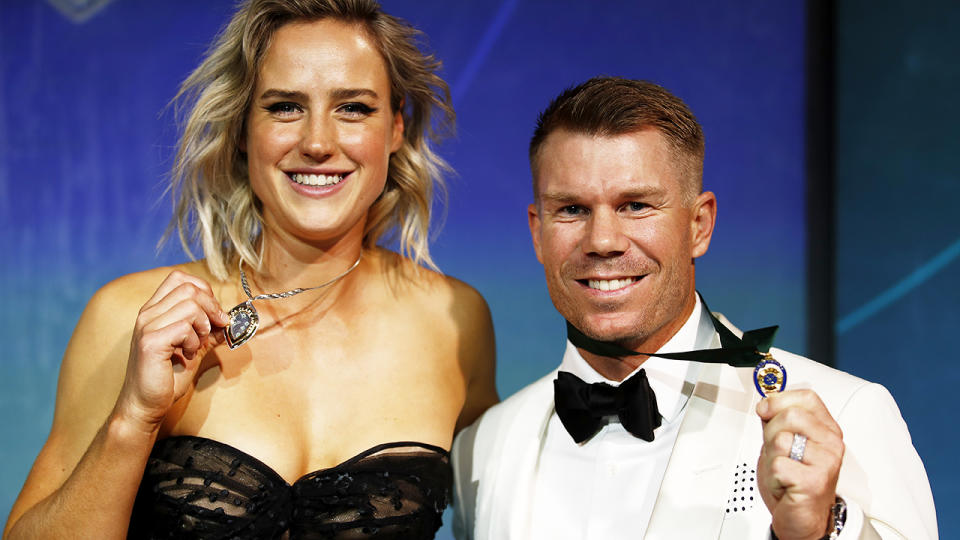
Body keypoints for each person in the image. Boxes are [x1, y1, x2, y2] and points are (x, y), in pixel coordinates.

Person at [4, 1, 498, 538]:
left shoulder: (454, 323)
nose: (316, 142)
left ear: (396, 126)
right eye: (285, 106)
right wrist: (133, 420)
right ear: (242, 128)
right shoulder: (132, 317)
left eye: (353, 108)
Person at [451, 77, 936, 539]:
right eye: (572, 209)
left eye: (636, 205)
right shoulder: (483, 447)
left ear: (699, 225)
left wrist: (817, 530)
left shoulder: (845, 413)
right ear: (538, 233)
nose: (601, 241)